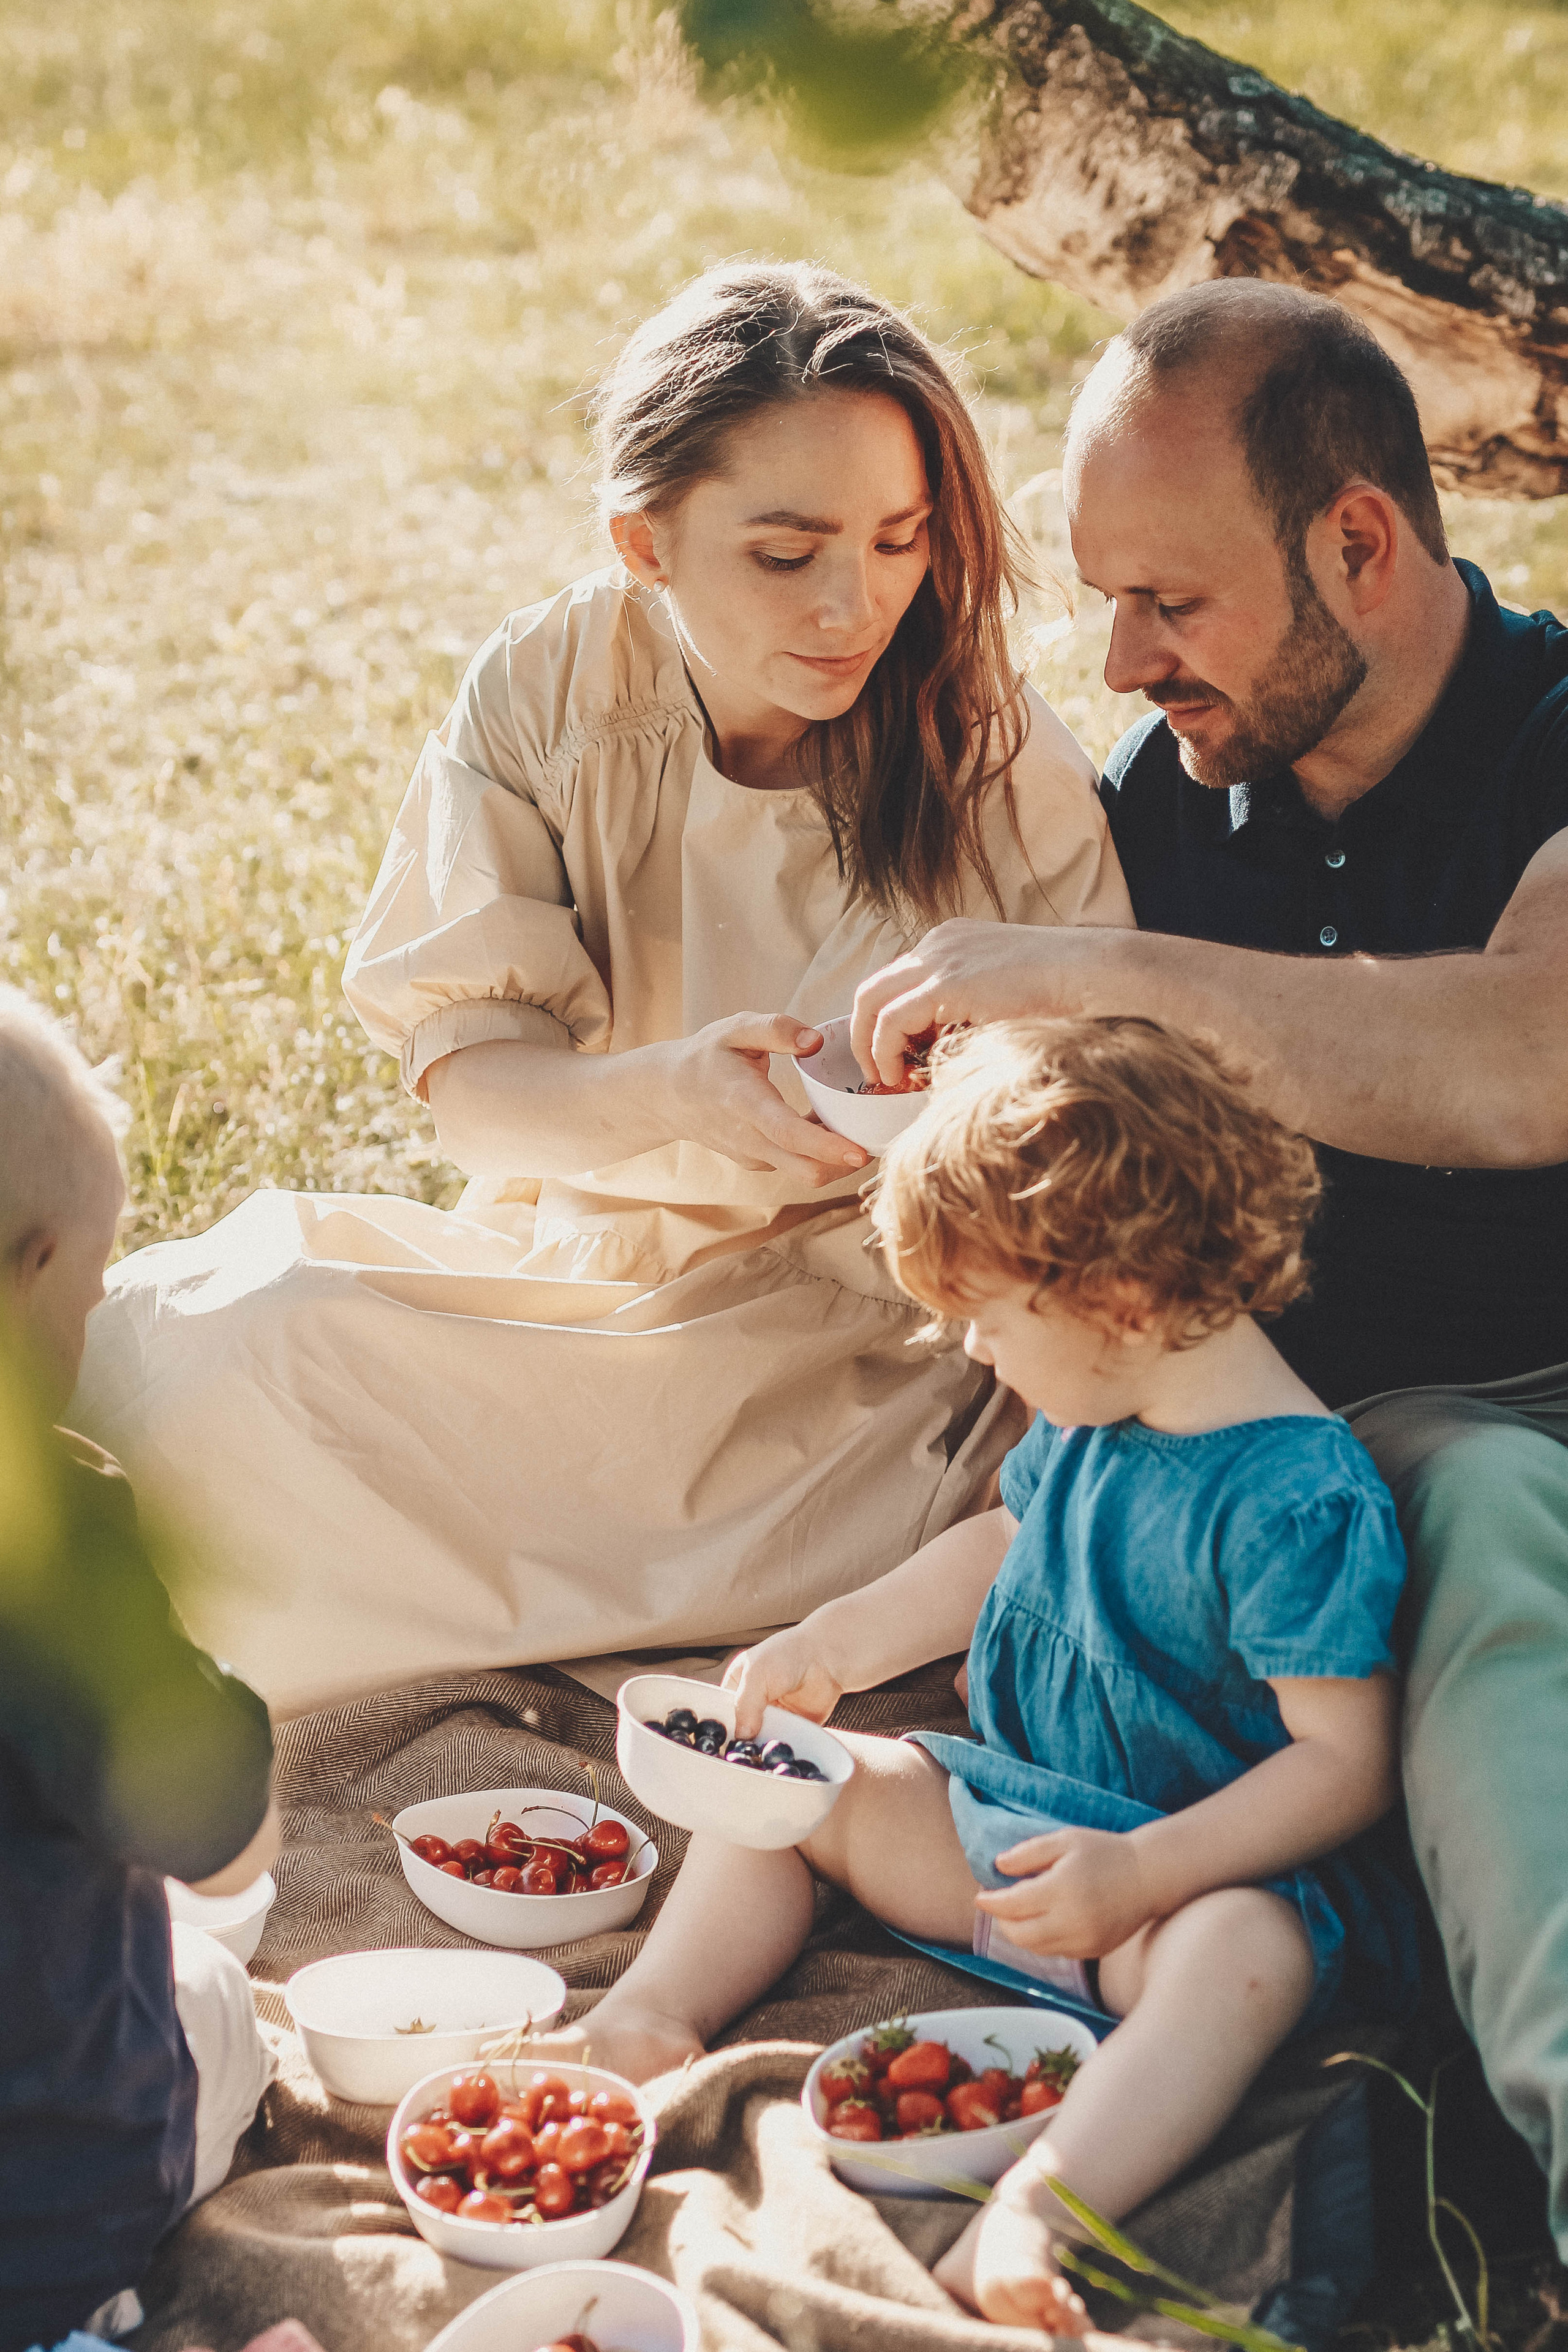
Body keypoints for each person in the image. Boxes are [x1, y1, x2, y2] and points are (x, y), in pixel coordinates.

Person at [71, 261, 1131, 1713]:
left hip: (845, 1367)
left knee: (239, 1461)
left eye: (898, 541)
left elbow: (1104, 1152)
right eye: (785, 553)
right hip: (569, 1283)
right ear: (645, 541)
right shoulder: (548, 690)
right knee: (200, 1347)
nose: (855, 604)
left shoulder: (989, 753)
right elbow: (480, 1103)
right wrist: (675, 1094)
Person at [848, 280, 1568, 2255]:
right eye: (1105, 596)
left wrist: (1103, 975)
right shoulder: (1183, 798)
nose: (1124, 655)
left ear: (1361, 539)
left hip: (1509, 1407)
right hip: (1255, 1405)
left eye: (1173, 599)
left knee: (1487, 1531)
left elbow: (1533, 1058)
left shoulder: (1555, 742)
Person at [545, 1016, 1417, 2330]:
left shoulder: (1292, 1498)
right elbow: (998, 1543)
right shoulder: (1092, 1408)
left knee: (1246, 1959)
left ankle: (1036, 2209)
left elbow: (1343, 1767)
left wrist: (1146, 1873)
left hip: (1173, 1890)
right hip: (1003, 1836)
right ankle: (656, 2013)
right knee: (799, 1785)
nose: (970, 1351)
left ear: (1115, 1302)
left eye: (987, 1318)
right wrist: (831, 1645)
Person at [0, 990, 277, 2352]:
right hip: (44, 2222)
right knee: (216, 1994)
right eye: (94, 1291)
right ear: (34, 1265)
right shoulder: (51, 1546)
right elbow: (223, 1843)